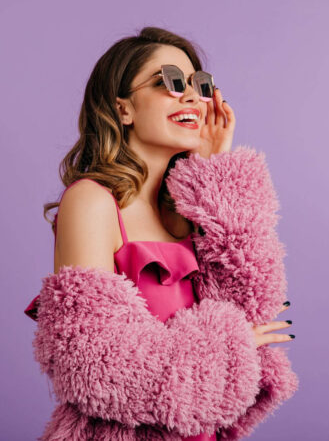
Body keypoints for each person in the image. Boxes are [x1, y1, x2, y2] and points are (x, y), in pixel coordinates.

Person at [25, 26, 298, 441]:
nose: (191, 97)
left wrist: (217, 173)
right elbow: (93, 364)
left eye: (199, 85)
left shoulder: (192, 211)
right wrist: (226, 349)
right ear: (123, 109)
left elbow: (254, 306)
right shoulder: (92, 202)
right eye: (169, 82)